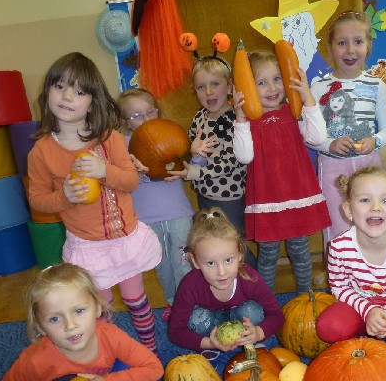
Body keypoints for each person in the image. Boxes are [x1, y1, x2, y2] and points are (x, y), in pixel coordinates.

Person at [27, 52, 162, 353]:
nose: (67, 97)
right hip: (87, 246)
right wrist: (64, 197)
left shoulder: (109, 138)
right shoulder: (41, 152)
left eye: (79, 92)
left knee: (136, 299)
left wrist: (105, 171)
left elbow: (131, 182)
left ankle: (150, 349)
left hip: (125, 238)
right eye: (60, 87)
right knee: (100, 307)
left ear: (92, 102)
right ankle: (109, 352)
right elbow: (37, 200)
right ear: (47, 91)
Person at [0, 263, 164, 381]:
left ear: (98, 308)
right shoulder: (34, 360)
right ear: (40, 326)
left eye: (79, 311)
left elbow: (154, 368)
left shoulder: (111, 336)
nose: (70, 326)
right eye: (54, 318)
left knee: (131, 364)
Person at [233, 50, 331, 294]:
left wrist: (306, 96)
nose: (272, 87)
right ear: (248, 88)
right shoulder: (249, 122)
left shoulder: (294, 113)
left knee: (301, 253)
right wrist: (240, 118)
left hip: (297, 195)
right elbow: (244, 156)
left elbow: (318, 137)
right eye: (262, 82)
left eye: (277, 78)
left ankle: (306, 300)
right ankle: (266, 302)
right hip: (267, 200)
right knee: (268, 255)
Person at [315, 167, 386, 364]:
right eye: (364, 200)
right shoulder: (338, 247)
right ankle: (365, 330)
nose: (376, 207)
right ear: (348, 210)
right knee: (328, 327)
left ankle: (380, 329)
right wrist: (368, 311)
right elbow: (339, 287)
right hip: (357, 305)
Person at [309, 10, 386, 249]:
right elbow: (308, 134)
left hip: (370, 166)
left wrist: (375, 141)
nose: (350, 50)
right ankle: (338, 271)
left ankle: (374, 267)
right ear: (330, 47)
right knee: (337, 227)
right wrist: (329, 144)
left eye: (358, 42)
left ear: (368, 46)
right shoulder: (318, 88)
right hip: (332, 169)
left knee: (373, 222)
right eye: (341, 43)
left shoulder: (377, 86)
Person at [166, 56, 257, 269]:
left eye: (215, 84)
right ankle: (225, 278)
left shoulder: (234, 120)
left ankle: (254, 278)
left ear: (230, 87)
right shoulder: (200, 117)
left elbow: (230, 163)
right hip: (204, 193)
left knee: (234, 243)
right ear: (195, 91)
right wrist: (191, 153)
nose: (209, 92)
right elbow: (192, 149)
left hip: (229, 197)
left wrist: (194, 172)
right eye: (201, 87)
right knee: (213, 242)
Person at [118, 88, 193, 322]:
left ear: (158, 111)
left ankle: (189, 304)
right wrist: (139, 173)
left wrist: (198, 154)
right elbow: (123, 181)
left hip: (179, 213)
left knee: (184, 262)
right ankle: (173, 302)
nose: (145, 119)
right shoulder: (123, 146)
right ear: (125, 121)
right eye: (136, 115)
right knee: (163, 267)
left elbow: (189, 164)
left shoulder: (172, 134)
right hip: (147, 220)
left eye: (150, 112)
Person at [167, 208, 284, 354]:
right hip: (211, 323)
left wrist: (258, 334)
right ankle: (214, 345)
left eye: (228, 260)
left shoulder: (250, 278)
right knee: (196, 320)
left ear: (240, 253)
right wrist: (210, 343)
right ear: (195, 261)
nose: (221, 272)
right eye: (211, 263)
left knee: (254, 312)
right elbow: (176, 331)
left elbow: (277, 315)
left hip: (242, 317)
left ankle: (249, 339)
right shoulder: (190, 285)